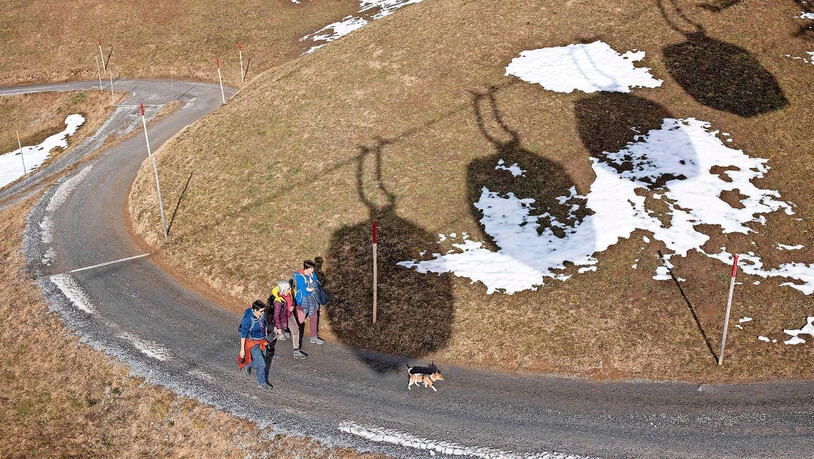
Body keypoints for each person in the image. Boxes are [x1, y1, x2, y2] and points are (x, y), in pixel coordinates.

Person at [238, 300, 272, 388]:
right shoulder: (248, 319)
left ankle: (246, 365)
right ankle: (262, 383)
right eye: (261, 311)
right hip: (252, 343)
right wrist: (242, 350)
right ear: (254, 310)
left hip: (262, 341)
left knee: (262, 360)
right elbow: (243, 334)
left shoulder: (262, 315)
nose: (263, 313)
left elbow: (264, 325)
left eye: (263, 311)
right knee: (261, 364)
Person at [269, 280, 307, 359]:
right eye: (288, 288)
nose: (290, 290)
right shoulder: (278, 302)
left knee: (296, 331)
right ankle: (265, 346)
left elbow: (291, 302)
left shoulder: (289, 294)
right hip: (281, 319)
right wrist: (279, 327)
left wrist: (292, 307)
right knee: (275, 334)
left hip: (289, 316)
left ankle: (296, 351)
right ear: (283, 289)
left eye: (289, 288)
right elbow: (276, 315)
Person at [293, 260, 324, 344]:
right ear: (306, 268)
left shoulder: (312, 274)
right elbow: (304, 291)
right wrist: (311, 289)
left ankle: (314, 336)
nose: (313, 270)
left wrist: (311, 288)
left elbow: (317, 283)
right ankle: (291, 330)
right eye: (311, 268)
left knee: (314, 316)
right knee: (300, 319)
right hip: (302, 301)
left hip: (312, 300)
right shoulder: (300, 277)